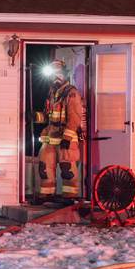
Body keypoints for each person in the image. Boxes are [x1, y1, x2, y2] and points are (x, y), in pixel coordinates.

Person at [35, 59, 86, 201]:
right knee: (44, 167)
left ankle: (70, 197)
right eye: (53, 74)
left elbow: (75, 118)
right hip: (51, 137)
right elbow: (50, 115)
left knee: (67, 169)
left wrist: (67, 138)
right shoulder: (52, 92)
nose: (55, 77)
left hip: (66, 139)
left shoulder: (72, 93)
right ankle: (46, 195)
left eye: (58, 73)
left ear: (64, 74)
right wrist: (36, 116)